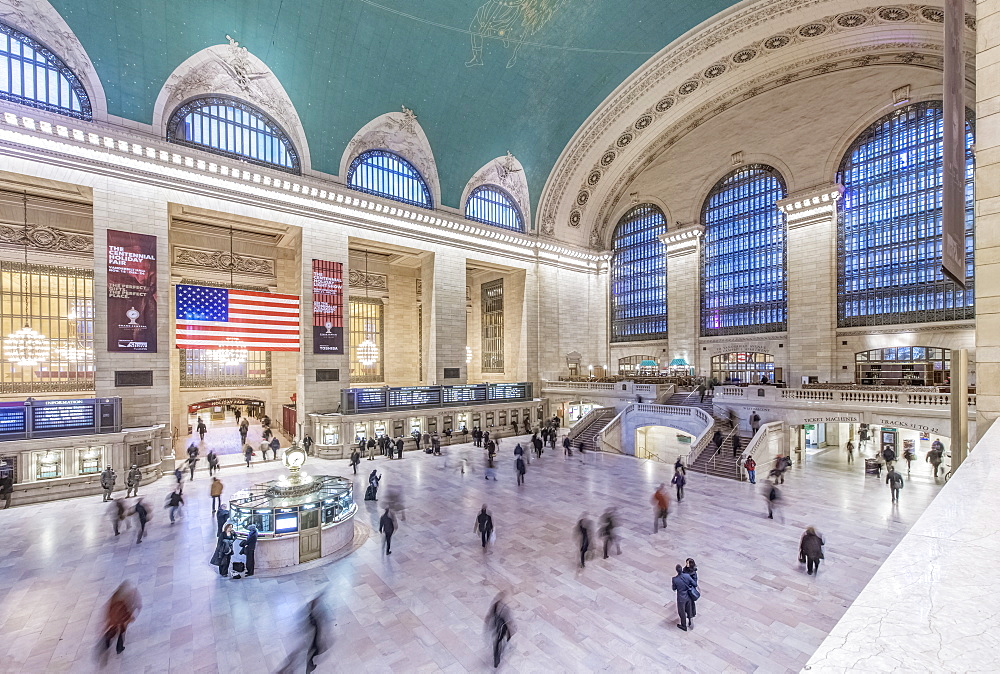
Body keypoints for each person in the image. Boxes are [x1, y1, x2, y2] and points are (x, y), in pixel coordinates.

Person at [101, 582, 140, 656]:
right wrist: (130, 616)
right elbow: (135, 605)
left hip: (114, 616)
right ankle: (119, 647)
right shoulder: (128, 596)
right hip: (121, 616)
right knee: (121, 631)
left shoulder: (116, 596)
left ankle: (107, 643)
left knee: (114, 629)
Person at [485, 591, 514, 669]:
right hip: (501, 627)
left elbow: (489, 616)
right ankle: (497, 657)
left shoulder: (495, 606)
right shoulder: (505, 608)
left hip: (497, 627)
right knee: (499, 641)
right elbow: (509, 620)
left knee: (498, 642)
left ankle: (496, 657)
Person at [671, 564, 697, 631]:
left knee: (681, 612)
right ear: (682, 569)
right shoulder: (687, 576)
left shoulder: (675, 579)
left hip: (681, 598)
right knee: (689, 609)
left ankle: (683, 625)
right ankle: (690, 620)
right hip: (688, 596)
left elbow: (674, 588)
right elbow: (694, 584)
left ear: (676, 571)